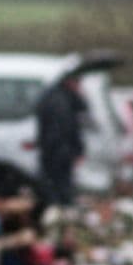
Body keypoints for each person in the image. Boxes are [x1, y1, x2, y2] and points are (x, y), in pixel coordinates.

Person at [35, 69, 86, 210]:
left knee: (54, 187)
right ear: (70, 82)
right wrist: (72, 152)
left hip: (55, 153)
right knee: (60, 189)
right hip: (58, 154)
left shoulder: (56, 98)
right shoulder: (60, 102)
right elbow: (64, 131)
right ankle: (60, 215)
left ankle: (59, 212)